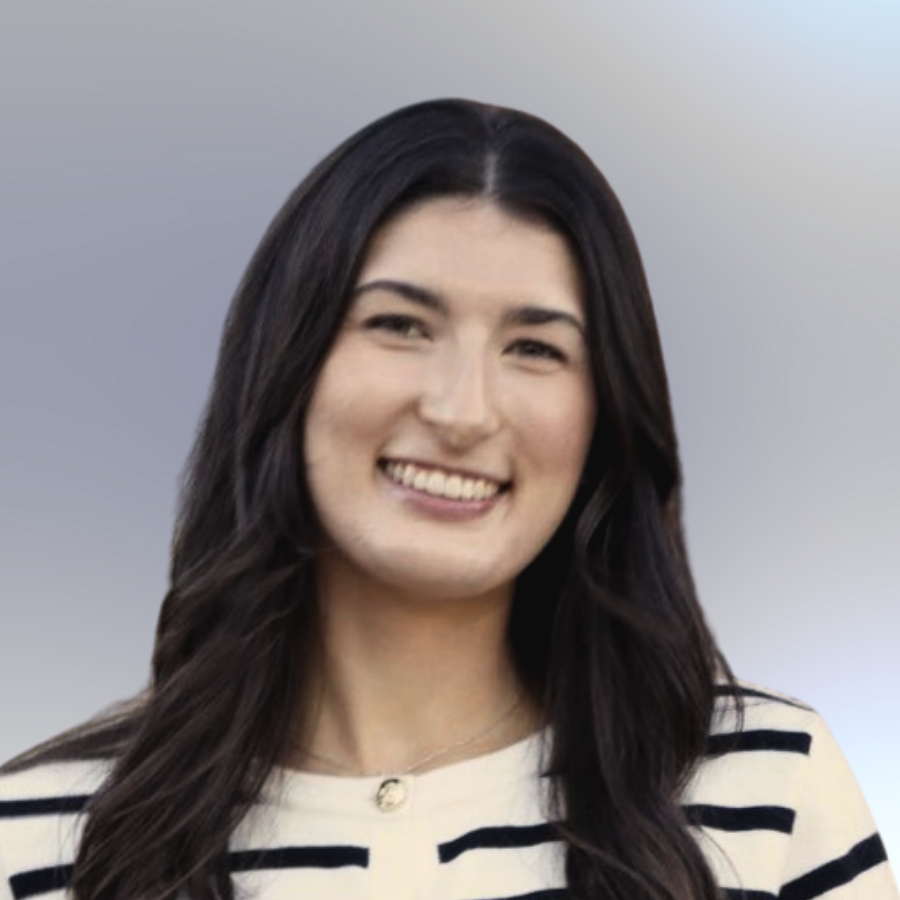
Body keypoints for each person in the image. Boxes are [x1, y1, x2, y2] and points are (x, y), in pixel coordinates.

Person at [0, 98, 895, 900]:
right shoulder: (42, 837)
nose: (463, 412)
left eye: (535, 348)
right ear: (287, 367)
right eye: (399, 325)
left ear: (605, 416)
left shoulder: (766, 795)